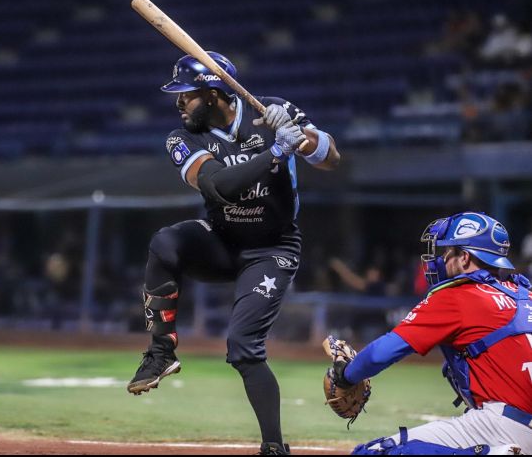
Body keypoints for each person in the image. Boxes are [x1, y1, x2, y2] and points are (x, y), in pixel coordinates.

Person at [126, 51, 341, 455]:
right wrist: (275, 153)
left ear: (212, 93)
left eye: (185, 95)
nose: (178, 104)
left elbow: (330, 157)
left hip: (272, 248)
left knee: (243, 347)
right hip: (222, 242)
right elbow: (217, 187)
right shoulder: (182, 137)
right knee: (165, 242)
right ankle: (159, 354)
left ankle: (274, 447)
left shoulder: (272, 110)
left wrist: (299, 135)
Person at [330, 212, 532, 455]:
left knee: (372, 453)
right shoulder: (525, 294)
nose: (441, 259)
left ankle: (491, 453)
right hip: (515, 421)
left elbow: (381, 353)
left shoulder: (460, 295)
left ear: (465, 258)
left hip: (508, 426)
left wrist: (345, 375)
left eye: (447, 252)